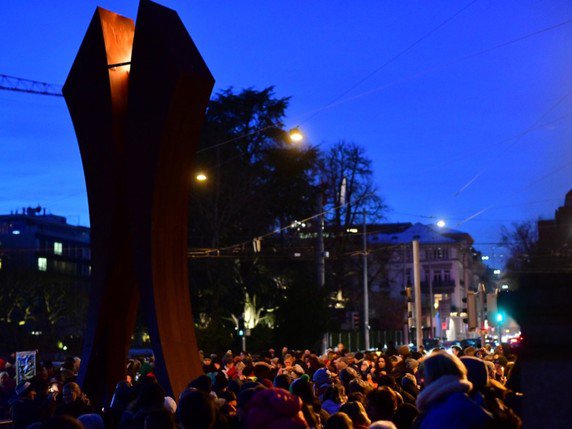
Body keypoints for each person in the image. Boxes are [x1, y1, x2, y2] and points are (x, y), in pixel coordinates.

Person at [413, 351, 491, 428]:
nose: (421, 381)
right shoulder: (470, 403)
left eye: (424, 376)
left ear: (434, 376)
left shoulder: (443, 414)